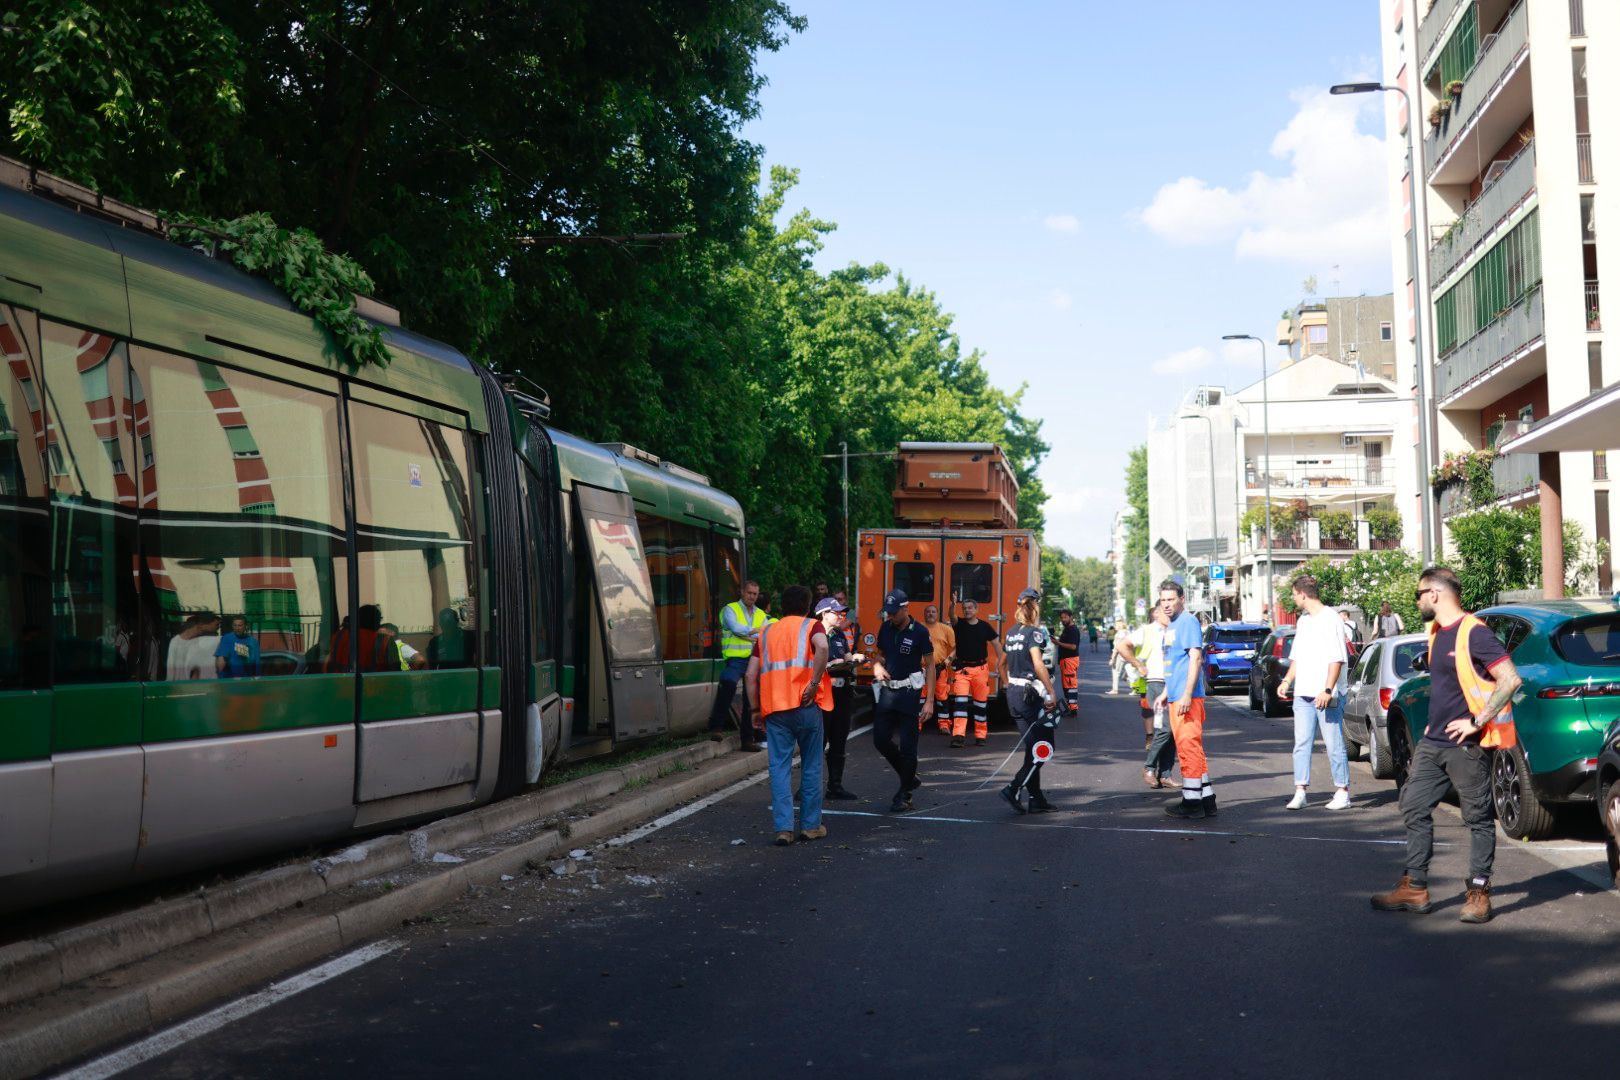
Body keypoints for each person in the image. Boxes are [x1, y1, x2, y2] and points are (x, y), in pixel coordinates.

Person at [1372, 566, 1520, 924]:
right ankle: (1416, 886)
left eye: (1419, 595)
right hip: (1432, 742)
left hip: (1466, 746)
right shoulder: (1437, 632)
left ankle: (1479, 892)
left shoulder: (1475, 633)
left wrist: (1477, 720)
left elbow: (1510, 678)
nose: (1417, 601)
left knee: (1478, 819)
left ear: (1434, 594)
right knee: (1413, 804)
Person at [745, 585, 831, 846]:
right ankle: (810, 826)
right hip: (805, 705)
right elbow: (823, 648)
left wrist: (754, 709)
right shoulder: (812, 627)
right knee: (812, 764)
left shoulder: (767, 631)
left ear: (782, 606)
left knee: (779, 768)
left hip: (775, 710)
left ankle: (783, 828)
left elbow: (750, 675)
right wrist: (814, 683)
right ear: (807, 606)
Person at [1276, 575, 1351, 810]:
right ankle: (1300, 791)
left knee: (1333, 743)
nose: (1293, 598)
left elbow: (1337, 659)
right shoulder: (1303, 621)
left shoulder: (1331, 619)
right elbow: (1297, 655)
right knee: (1302, 743)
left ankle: (1342, 791)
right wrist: (1287, 680)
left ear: (1303, 594)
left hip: (1325, 694)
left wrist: (1328, 689)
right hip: (1303, 693)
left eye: (1294, 594)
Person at [871, 589, 935, 813]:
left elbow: (931, 665)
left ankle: (904, 792)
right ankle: (908, 776)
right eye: (887, 612)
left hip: (910, 693)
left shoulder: (919, 632)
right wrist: (877, 665)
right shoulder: (885, 627)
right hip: (888, 693)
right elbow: (880, 654)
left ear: (905, 609)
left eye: (893, 612)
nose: (889, 616)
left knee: (909, 746)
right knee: (880, 739)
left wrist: (929, 701)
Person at [999, 588, 1060, 814]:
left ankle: (1036, 799)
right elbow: (1038, 664)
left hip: (1013, 695)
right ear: (1035, 607)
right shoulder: (1034, 633)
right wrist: (1052, 691)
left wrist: (1007, 684)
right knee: (1045, 747)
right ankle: (1014, 787)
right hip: (1028, 696)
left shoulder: (1011, 633)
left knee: (1033, 747)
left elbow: (1000, 665)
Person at [1160, 581, 1216, 819]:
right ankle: (1206, 798)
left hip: (1187, 698)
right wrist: (1166, 692)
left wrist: (1185, 694)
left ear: (1181, 599)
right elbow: (1175, 662)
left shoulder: (1188, 621)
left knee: (1188, 749)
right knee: (1193, 748)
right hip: (1177, 695)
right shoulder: (1172, 625)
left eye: (1171, 599)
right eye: (1163, 600)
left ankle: (1192, 803)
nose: (1167, 604)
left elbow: (1195, 659)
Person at [709, 580, 767, 751]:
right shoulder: (730, 609)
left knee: (751, 699)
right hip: (735, 659)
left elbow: (764, 635)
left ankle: (748, 740)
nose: (752, 596)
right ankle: (716, 725)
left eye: (755, 594)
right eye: (749, 593)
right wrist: (754, 631)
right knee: (728, 681)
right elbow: (736, 628)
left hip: (754, 660)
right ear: (742, 592)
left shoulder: (761, 614)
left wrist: (749, 633)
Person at [818, 597, 863, 800]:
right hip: (823, 693)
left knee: (839, 739)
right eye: (836, 612)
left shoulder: (838, 635)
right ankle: (808, 786)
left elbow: (846, 657)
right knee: (818, 741)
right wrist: (831, 664)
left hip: (842, 692)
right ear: (823, 614)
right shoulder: (814, 634)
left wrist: (854, 659)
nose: (840, 616)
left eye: (841, 613)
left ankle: (835, 786)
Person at [1128, 605, 1175, 787]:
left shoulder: (1174, 629)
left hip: (1172, 684)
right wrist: (1138, 665)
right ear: (1155, 613)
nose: (1167, 612)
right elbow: (1122, 645)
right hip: (1156, 683)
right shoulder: (1147, 630)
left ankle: (1165, 774)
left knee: (1171, 731)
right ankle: (1149, 768)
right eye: (1163, 608)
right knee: (1165, 729)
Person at [949, 599, 999, 747]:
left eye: (970, 608)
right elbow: (952, 616)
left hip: (981, 670)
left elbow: (996, 643)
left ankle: (981, 735)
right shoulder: (959, 624)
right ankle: (958, 736)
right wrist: (952, 605)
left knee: (980, 704)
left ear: (976, 610)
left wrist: (1002, 664)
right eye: (964, 608)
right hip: (963, 669)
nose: (967, 610)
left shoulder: (985, 626)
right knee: (960, 704)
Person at [923, 603, 956, 734]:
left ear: (937, 615)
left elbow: (955, 648)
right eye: (928, 612)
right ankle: (917, 724)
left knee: (942, 698)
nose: (930, 614)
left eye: (933, 612)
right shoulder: (918, 628)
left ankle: (944, 725)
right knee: (920, 697)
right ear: (924, 614)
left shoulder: (946, 629)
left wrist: (947, 661)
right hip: (921, 669)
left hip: (940, 668)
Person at [166, 611, 221, 681]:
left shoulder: (201, 641)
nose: (218, 627)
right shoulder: (175, 642)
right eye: (216, 624)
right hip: (181, 688)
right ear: (201, 625)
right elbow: (171, 672)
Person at [1056, 610, 1082, 715]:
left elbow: (1073, 646)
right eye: (1062, 618)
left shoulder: (1073, 630)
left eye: (1065, 617)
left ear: (1070, 617)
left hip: (1070, 661)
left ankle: (1073, 709)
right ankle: (1070, 707)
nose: (1063, 620)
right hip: (1066, 661)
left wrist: (1058, 643)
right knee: (1067, 686)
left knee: (1070, 686)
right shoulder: (1067, 629)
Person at [1107, 621, 1133, 694]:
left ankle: (1115, 689)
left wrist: (1112, 658)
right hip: (1128, 654)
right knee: (1128, 669)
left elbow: (1117, 647)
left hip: (1120, 655)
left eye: (1116, 625)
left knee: (1115, 671)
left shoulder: (1118, 634)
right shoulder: (1128, 633)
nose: (1115, 626)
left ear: (1119, 626)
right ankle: (1127, 677)